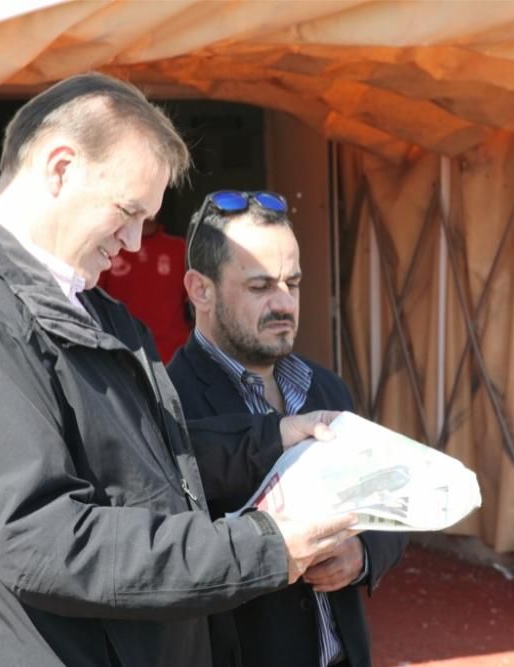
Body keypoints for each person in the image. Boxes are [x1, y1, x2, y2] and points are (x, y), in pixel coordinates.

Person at [0, 74, 359, 667]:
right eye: (127, 212)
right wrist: (263, 547)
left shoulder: (81, 301)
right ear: (61, 167)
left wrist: (268, 441)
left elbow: (140, 460)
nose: (132, 241)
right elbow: (40, 539)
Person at [167, 191, 406, 667]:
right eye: (260, 287)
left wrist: (363, 554)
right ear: (200, 290)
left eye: (292, 283)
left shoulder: (327, 389)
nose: (284, 303)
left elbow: (395, 502)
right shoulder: (168, 403)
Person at [97, 217, 191, 363]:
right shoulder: (110, 248)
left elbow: (196, 305)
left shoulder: (179, 248)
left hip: (173, 356)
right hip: (123, 355)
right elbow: (92, 300)